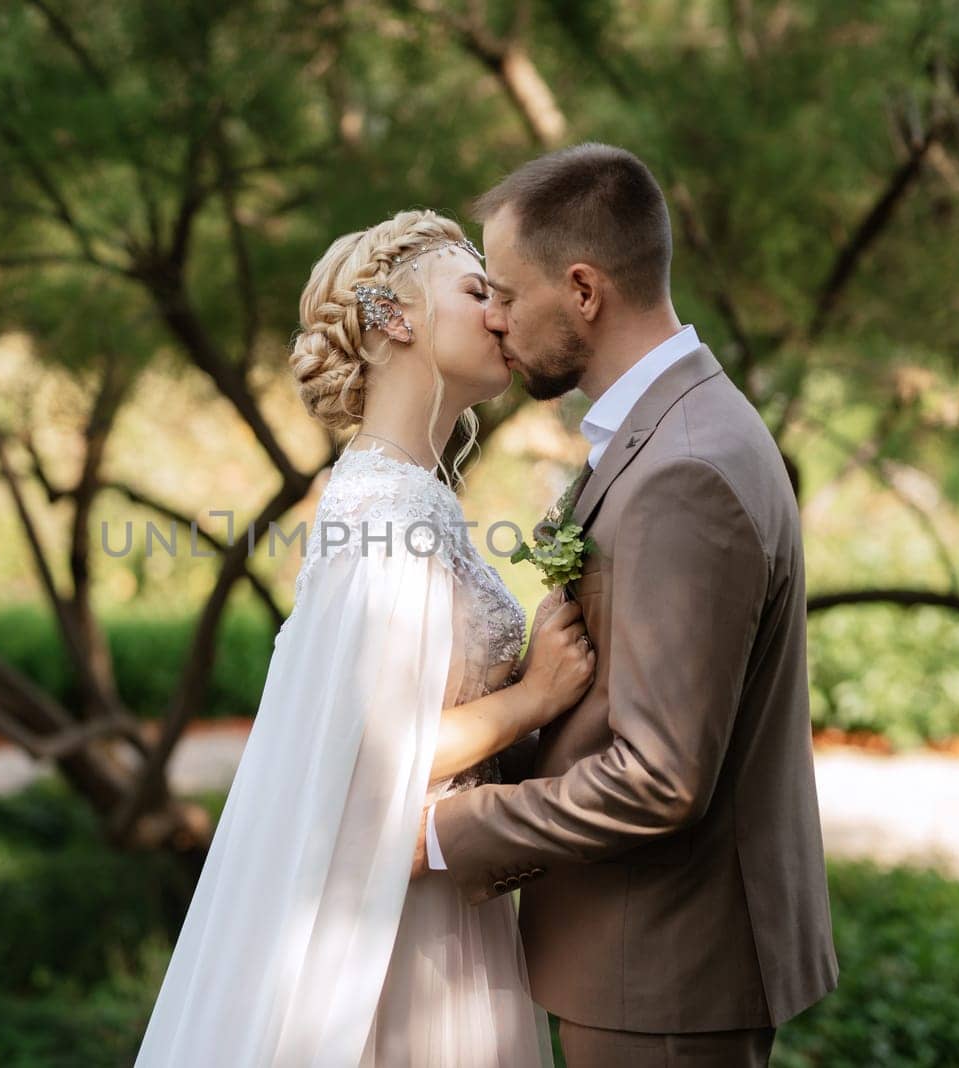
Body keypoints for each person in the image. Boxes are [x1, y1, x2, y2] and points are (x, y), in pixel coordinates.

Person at [134, 208, 595, 1066]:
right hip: (400, 933)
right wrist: (534, 694)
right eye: (477, 291)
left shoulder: (405, 498)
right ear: (393, 318)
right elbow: (369, 759)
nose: (502, 313)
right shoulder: (389, 511)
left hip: (441, 896)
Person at [416, 142, 840, 1068]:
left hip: (665, 972)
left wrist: (447, 833)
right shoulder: (668, 435)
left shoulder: (684, 468)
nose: (494, 319)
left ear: (583, 289)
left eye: (505, 292)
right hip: (647, 961)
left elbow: (661, 777)